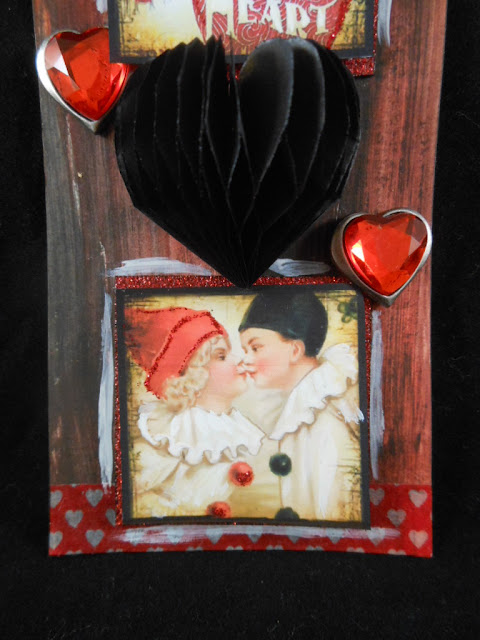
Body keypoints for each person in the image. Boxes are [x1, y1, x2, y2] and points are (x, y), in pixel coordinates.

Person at [124, 306, 264, 519]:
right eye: (221, 356)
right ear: (191, 376)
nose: (238, 360)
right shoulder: (173, 436)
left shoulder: (239, 431)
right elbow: (138, 495)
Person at [238, 290, 364, 522]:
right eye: (245, 351)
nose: (245, 360)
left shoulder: (328, 415)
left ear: (295, 350)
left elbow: (332, 512)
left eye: (255, 348)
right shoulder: (301, 409)